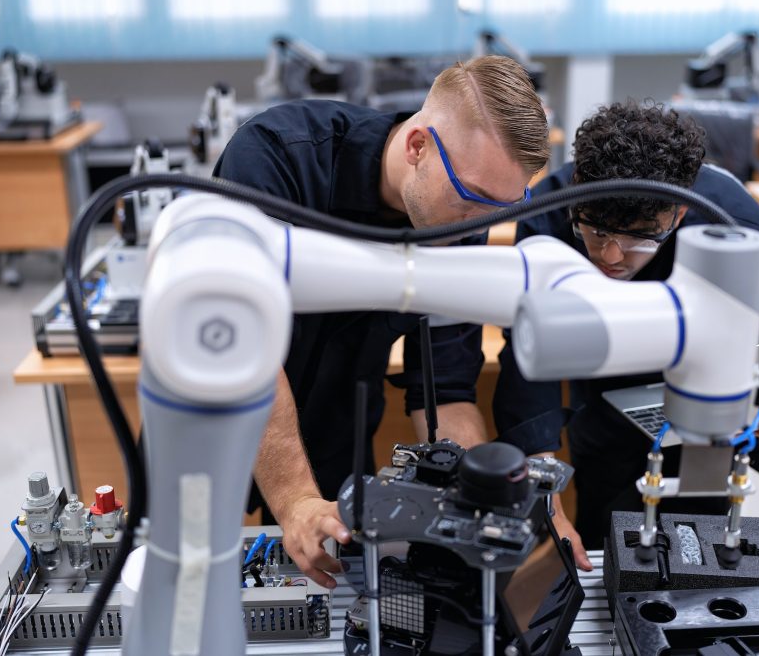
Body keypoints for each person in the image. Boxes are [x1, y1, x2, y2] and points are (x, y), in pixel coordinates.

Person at [214, 56, 550, 588]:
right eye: (473, 199)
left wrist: (473, 501)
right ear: (417, 146)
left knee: (328, 582)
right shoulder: (278, 155)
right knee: (193, 591)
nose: (479, 224)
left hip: (335, 426)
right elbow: (243, 345)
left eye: (498, 210)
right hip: (218, 414)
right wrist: (294, 496)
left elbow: (446, 385)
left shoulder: (464, 220)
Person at [493, 101, 759, 568]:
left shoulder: (734, 226)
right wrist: (545, 496)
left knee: (698, 545)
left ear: (678, 213)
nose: (612, 256)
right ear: (579, 190)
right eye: (596, 231)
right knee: (604, 531)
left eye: (641, 238)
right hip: (603, 400)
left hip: (710, 416)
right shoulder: (549, 214)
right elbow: (527, 358)